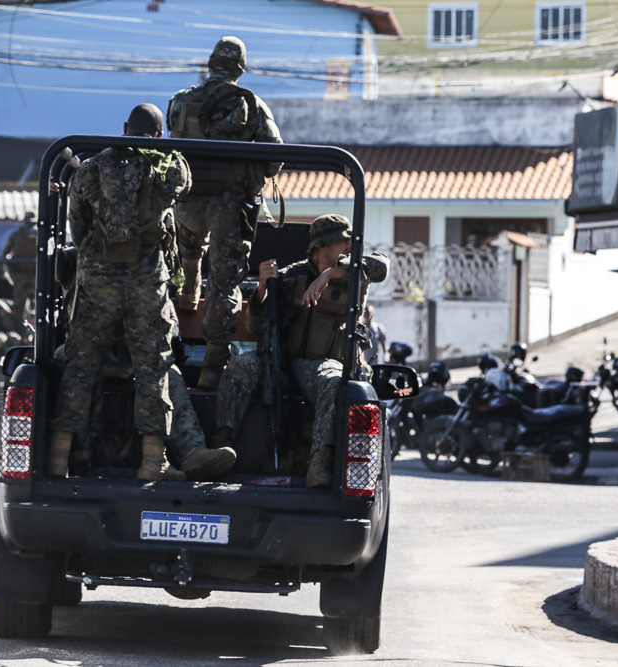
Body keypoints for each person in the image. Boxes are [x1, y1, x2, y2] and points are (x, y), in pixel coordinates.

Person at [50, 103, 192, 482]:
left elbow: (77, 228)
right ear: (159, 135)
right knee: (153, 367)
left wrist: (98, 254)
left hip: (97, 279)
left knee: (80, 365)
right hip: (146, 281)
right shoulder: (166, 167)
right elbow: (184, 182)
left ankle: (58, 458)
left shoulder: (91, 168)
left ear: (125, 127)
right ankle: (152, 462)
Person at [213, 214, 389, 488]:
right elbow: (255, 325)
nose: (349, 247)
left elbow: (381, 265)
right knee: (241, 364)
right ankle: (221, 444)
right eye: (343, 242)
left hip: (325, 365)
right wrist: (262, 287)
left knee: (333, 382)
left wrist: (332, 273)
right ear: (323, 244)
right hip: (284, 363)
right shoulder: (290, 276)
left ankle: (319, 463)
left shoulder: (356, 275)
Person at [54, 245, 236, 477]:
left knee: (168, 375)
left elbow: (164, 326)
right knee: (67, 358)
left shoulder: (151, 259)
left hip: (137, 355)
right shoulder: (80, 258)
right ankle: (72, 454)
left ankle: (192, 451)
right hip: (91, 353)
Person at [167, 35, 283, 389]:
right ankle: (213, 366)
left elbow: (171, 147)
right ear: (240, 68)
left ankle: (187, 285)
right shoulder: (252, 104)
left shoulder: (182, 102)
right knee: (224, 283)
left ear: (210, 64)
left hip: (187, 204)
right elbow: (274, 158)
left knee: (188, 244)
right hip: (230, 208)